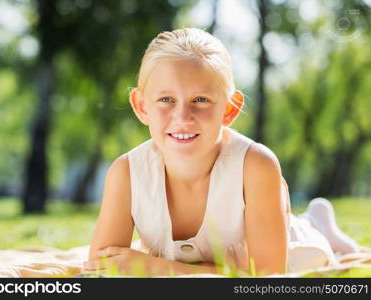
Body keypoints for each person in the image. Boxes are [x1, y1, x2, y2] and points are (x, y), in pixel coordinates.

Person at [83, 28, 367, 277]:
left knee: (318, 246)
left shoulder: (256, 166)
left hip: (286, 246)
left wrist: (160, 268)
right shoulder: (127, 173)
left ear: (229, 110)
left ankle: (317, 225)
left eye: (201, 100)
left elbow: (266, 278)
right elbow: (99, 265)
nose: (183, 116)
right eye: (166, 99)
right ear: (142, 106)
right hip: (219, 259)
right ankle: (315, 219)